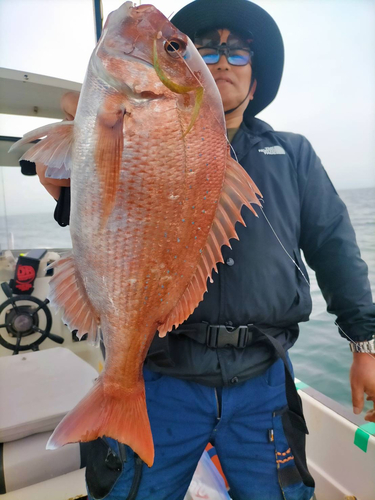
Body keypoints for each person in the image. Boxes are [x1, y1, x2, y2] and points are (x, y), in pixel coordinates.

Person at [34, 1, 375, 499]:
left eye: (239, 54)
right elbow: (68, 189)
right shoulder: (129, 122)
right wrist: (91, 133)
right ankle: (117, 394)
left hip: (263, 380)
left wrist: (364, 346)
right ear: (195, 75)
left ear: (255, 84)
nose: (220, 61)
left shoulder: (293, 155)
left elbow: (335, 248)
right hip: (160, 373)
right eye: (206, 49)